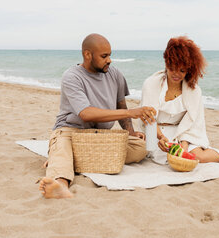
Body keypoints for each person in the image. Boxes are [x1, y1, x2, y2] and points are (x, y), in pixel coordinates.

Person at [39, 33, 156, 199]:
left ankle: (65, 159)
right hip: (72, 132)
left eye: (110, 55)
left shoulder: (115, 74)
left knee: (140, 148)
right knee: (62, 144)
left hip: (101, 137)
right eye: (104, 56)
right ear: (87, 55)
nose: (109, 60)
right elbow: (86, 113)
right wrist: (132, 112)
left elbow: (120, 105)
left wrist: (131, 132)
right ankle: (61, 184)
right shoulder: (72, 76)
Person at [141, 36, 219, 164]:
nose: (176, 74)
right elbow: (148, 120)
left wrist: (183, 145)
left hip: (181, 133)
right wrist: (162, 138)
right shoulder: (151, 84)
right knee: (159, 157)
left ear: (189, 69)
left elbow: (193, 122)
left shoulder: (194, 91)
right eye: (172, 68)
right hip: (154, 132)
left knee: (197, 157)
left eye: (182, 70)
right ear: (166, 64)